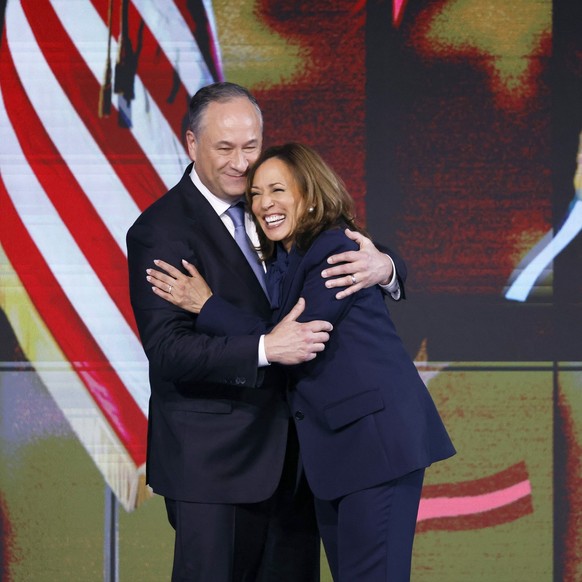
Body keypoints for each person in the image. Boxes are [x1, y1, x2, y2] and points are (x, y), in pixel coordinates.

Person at [127, 83, 403, 581]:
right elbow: (169, 350)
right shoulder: (161, 230)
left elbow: (339, 242)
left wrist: (386, 266)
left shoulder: (274, 203)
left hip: (297, 464)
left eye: (250, 146)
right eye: (224, 148)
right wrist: (263, 348)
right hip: (215, 467)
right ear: (191, 144)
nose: (240, 162)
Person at [149, 142, 456, 582]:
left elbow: (297, 335)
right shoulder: (286, 255)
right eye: (255, 194)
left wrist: (208, 305)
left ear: (310, 196)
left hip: (375, 445)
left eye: (278, 190)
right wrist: (390, 264)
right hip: (339, 453)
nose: (263, 204)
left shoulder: (332, 249)